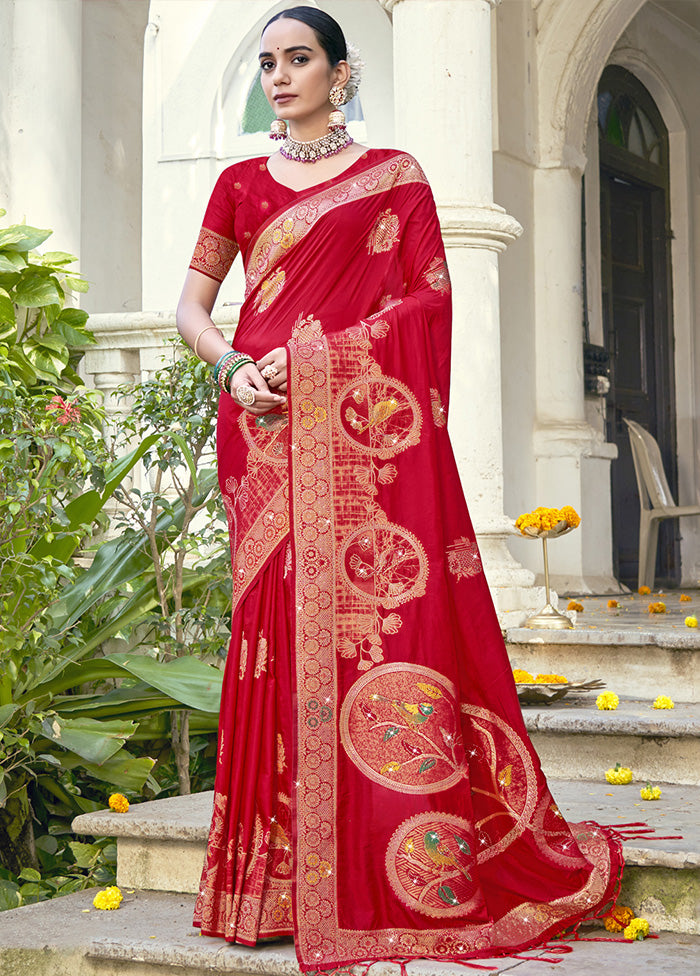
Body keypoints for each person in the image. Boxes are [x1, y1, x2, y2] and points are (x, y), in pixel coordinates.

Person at [176, 7, 622, 973]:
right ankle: (275, 884)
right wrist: (232, 367)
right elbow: (193, 307)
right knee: (277, 635)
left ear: (342, 71)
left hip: (357, 438)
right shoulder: (240, 185)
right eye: (267, 63)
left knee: (372, 633)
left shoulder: (397, 179)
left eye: (299, 60)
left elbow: (428, 300)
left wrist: (322, 355)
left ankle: (386, 868)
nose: (280, 77)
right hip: (264, 431)